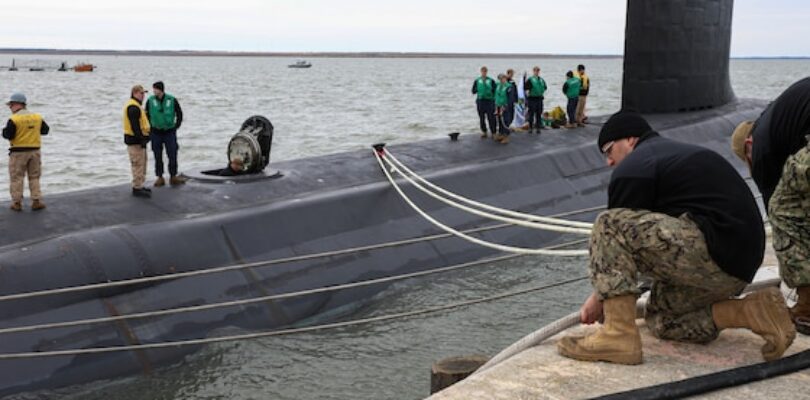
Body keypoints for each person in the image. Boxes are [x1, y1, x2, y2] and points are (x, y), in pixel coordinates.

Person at [557, 110, 795, 365]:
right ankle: (750, 311)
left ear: (629, 140)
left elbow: (617, 240)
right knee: (662, 320)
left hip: (713, 248)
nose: (609, 162)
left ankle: (618, 335)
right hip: (739, 266)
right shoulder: (675, 155)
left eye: (608, 150)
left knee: (609, 224)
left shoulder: (635, 167)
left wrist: (599, 299)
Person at [730, 77, 810, 335]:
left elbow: (776, 209)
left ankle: (808, 307)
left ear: (748, 146)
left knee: (782, 209)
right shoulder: (780, 119)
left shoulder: (761, 146)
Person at [2, 93, 49, 211]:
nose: (10, 107)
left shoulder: (14, 119)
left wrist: (4, 131)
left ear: (18, 104)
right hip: (35, 151)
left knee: (17, 178)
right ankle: (36, 201)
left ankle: (17, 203)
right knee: (34, 177)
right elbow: (45, 131)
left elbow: (8, 135)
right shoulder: (37, 117)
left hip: (18, 152)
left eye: (11, 105)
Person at [146, 81, 185, 187]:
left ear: (161, 89)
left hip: (169, 131)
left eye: (155, 89)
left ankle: (173, 175)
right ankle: (159, 176)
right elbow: (146, 114)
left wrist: (177, 125)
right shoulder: (150, 100)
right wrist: (150, 127)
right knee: (157, 155)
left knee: (172, 153)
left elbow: (179, 113)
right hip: (156, 132)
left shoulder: (171, 99)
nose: (154, 91)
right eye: (153, 89)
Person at [123, 85, 152, 198]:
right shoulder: (133, 107)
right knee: (137, 164)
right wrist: (141, 139)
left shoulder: (137, 106)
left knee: (142, 164)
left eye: (143, 93)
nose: (143, 96)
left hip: (139, 140)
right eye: (141, 93)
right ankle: (137, 187)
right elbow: (135, 126)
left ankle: (140, 184)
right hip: (135, 141)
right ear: (134, 93)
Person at [471, 66, 497, 138]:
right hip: (480, 101)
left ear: (487, 72)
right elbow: (473, 91)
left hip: (489, 101)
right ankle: (484, 131)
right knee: (481, 117)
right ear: (481, 72)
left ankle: (493, 132)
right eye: (483, 71)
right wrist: (477, 89)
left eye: (485, 71)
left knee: (491, 117)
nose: (484, 73)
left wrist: (494, 99)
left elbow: (495, 90)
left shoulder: (491, 80)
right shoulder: (477, 81)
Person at [525, 66, 547, 133]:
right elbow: (525, 88)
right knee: (531, 114)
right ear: (533, 71)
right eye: (535, 71)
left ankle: (538, 127)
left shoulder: (541, 80)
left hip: (539, 99)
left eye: (538, 71)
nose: (536, 72)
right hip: (532, 99)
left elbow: (545, 87)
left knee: (539, 114)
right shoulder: (530, 79)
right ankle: (530, 127)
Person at [494, 74, 515, 144]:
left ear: (505, 78)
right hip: (498, 105)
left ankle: (506, 136)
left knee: (505, 121)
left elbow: (510, 98)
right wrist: (496, 105)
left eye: (502, 78)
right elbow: (496, 95)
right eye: (500, 79)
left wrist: (505, 106)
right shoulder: (498, 85)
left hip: (506, 106)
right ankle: (501, 134)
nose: (501, 80)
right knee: (500, 120)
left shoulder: (509, 87)